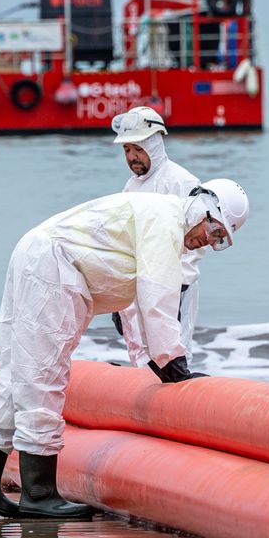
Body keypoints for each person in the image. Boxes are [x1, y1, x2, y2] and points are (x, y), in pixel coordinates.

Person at [0, 180, 249, 519]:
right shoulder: (167, 223)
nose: (209, 242)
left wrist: (154, 361)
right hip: (53, 267)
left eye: (219, 242)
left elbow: (139, 304)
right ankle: (38, 492)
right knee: (43, 375)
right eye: (215, 230)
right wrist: (174, 366)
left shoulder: (157, 216)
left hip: (39, 257)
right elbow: (158, 301)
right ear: (204, 208)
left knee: (13, 374)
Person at [109, 105, 207, 372]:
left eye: (138, 149)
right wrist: (119, 300)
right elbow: (124, 243)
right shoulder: (130, 187)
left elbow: (195, 242)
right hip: (139, 290)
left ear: (154, 144)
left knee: (176, 356)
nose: (132, 157)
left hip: (175, 289)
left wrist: (178, 288)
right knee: (143, 360)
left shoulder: (182, 182)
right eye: (127, 150)